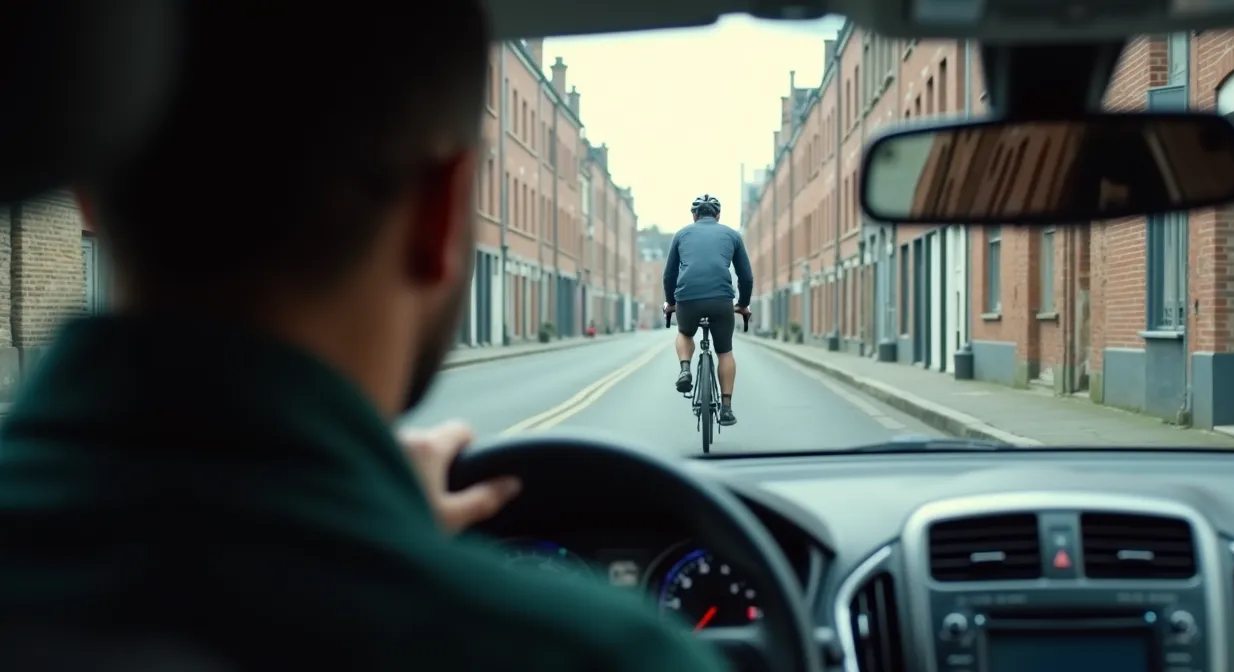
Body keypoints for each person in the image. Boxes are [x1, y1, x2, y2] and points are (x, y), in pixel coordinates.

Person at [0, 4, 727, 672]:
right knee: (715, 343)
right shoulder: (600, 655)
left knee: (686, 335)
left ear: (89, 195)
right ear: (442, 213)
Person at [662, 194, 753, 426]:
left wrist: (670, 302)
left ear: (694, 216)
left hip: (687, 298)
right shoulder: (732, 235)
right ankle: (727, 408)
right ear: (718, 215)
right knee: (724, 351)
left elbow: (669, 275)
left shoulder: (681, 235)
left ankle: (685, 369)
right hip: (721, 299)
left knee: (684, 332)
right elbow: (746, 276)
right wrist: (742, 304)